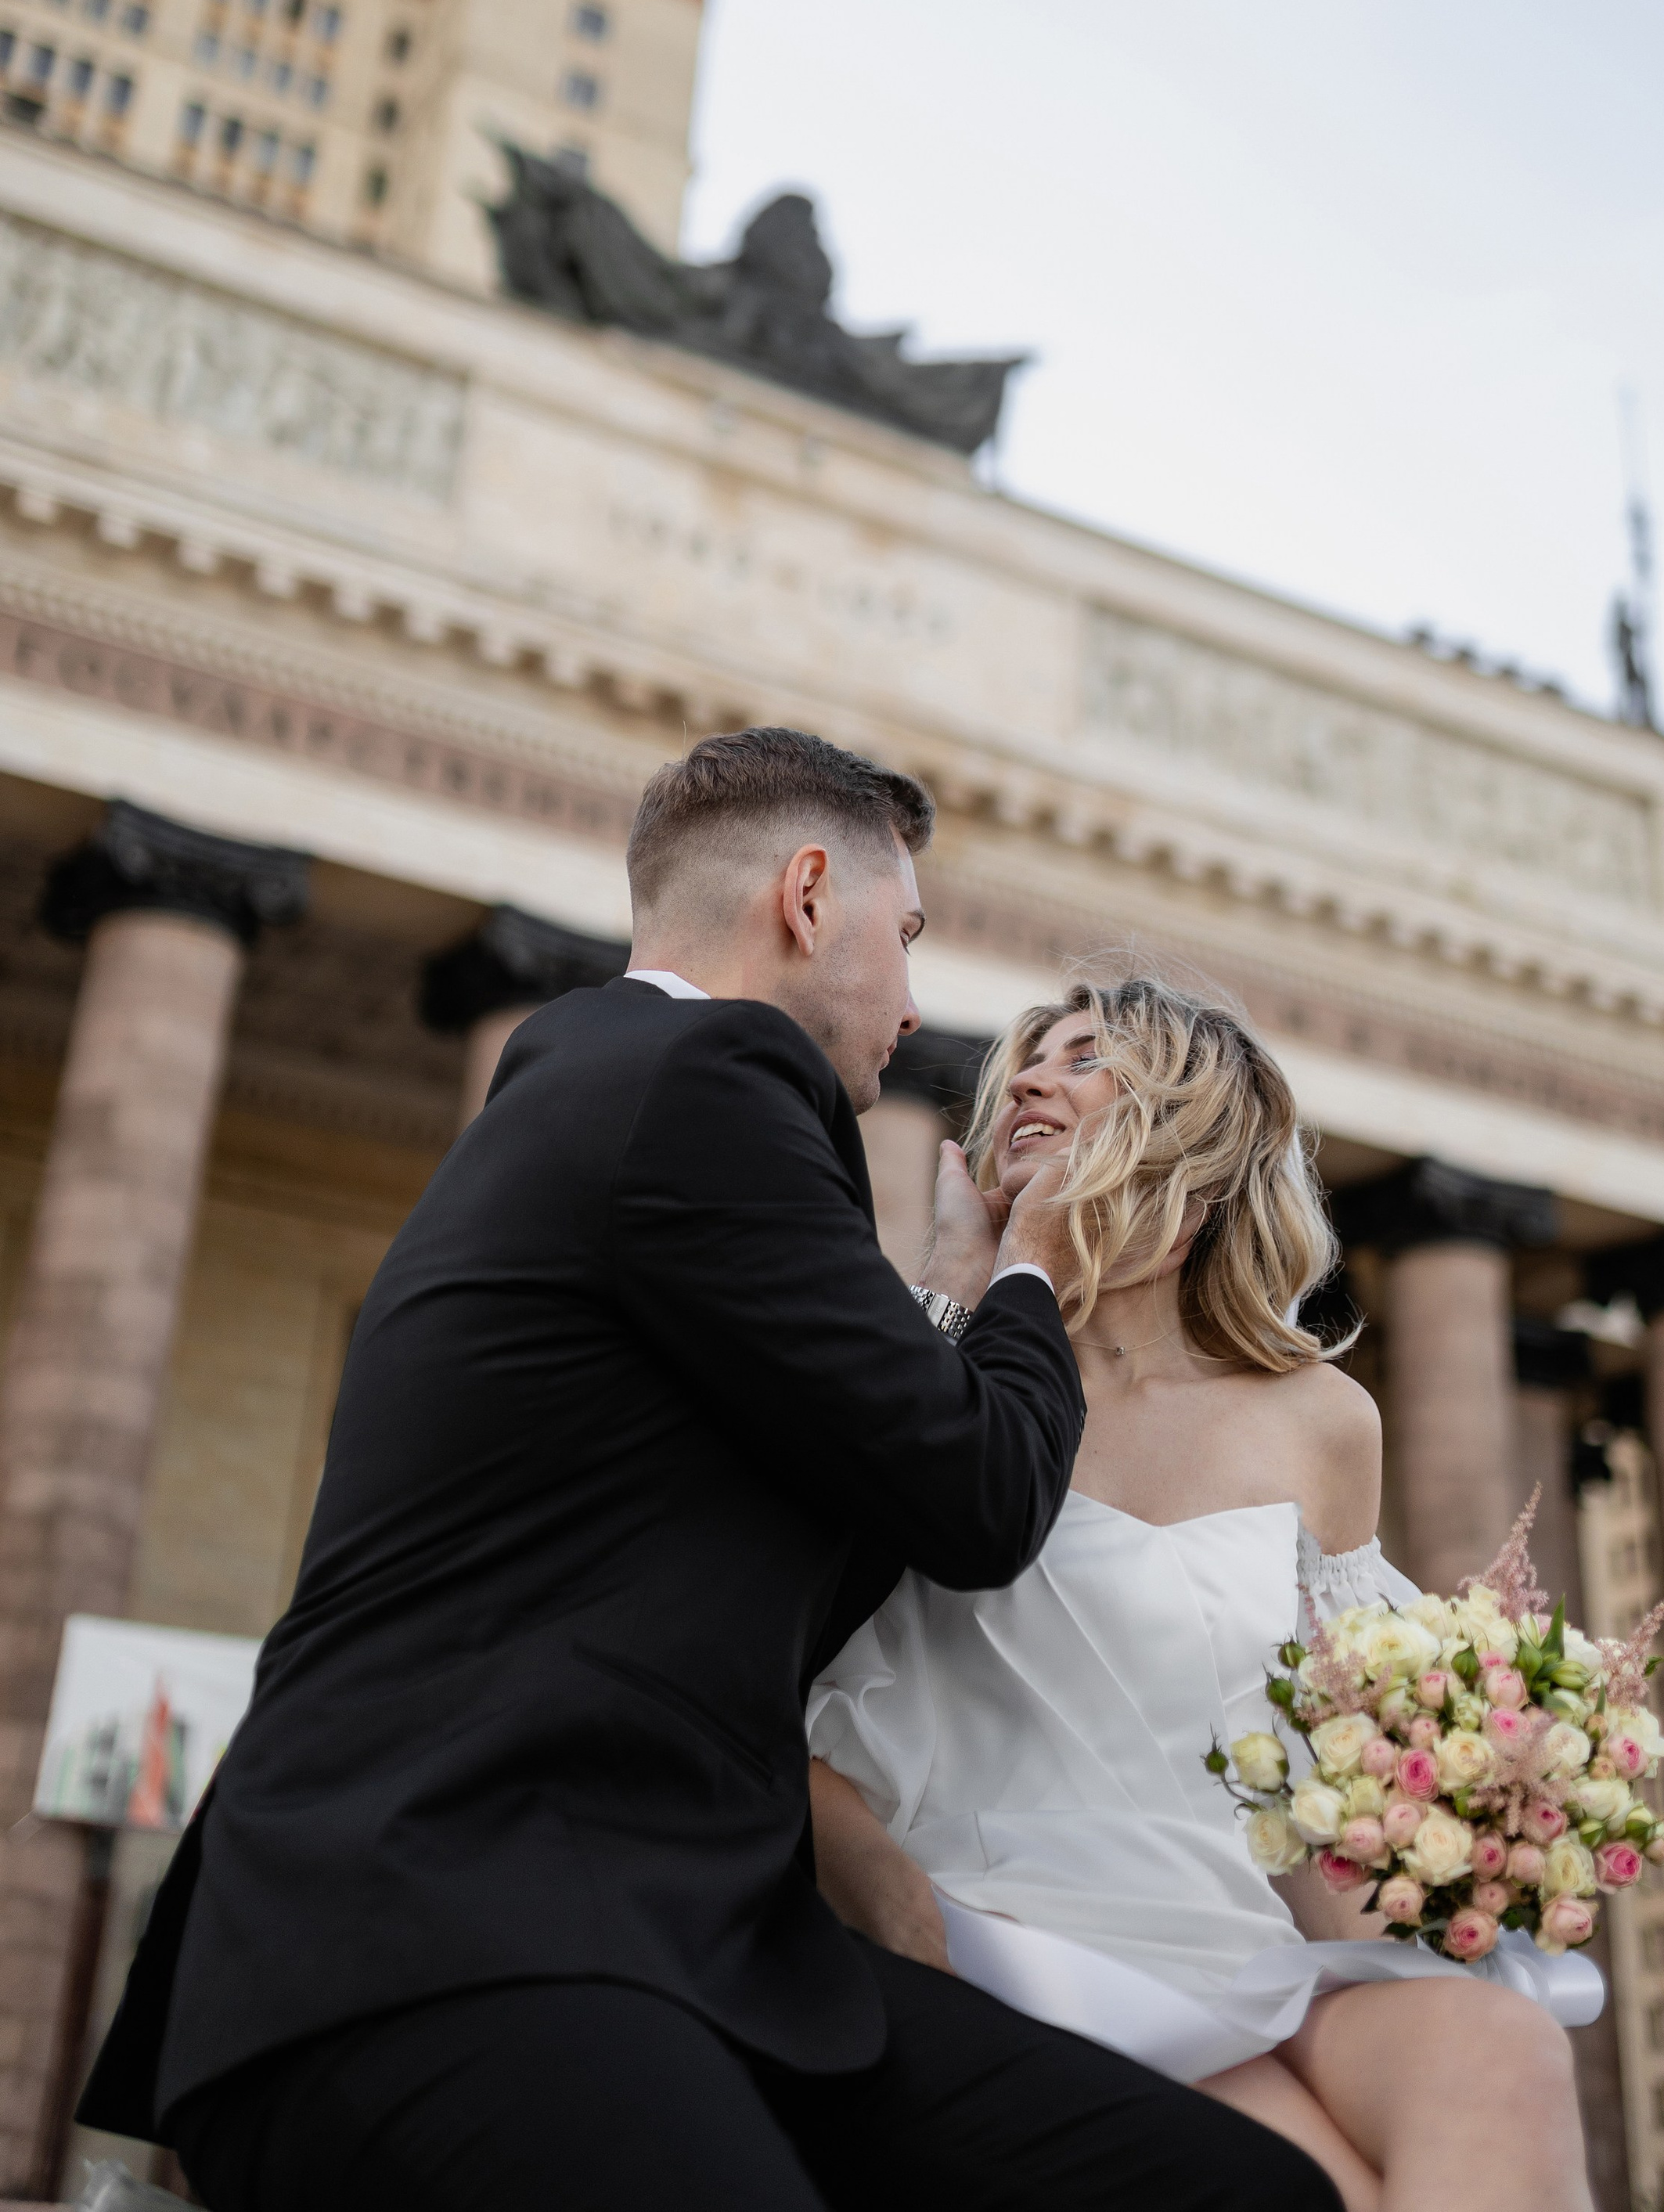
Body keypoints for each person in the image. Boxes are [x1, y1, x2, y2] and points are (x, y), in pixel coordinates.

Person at [79, 733, 1338, 2212]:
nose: (918, 1005)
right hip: (445, 1930)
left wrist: (945, 1281)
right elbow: (981, 1498)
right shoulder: (708, 1077)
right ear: (810, 896)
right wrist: (1025, 1273)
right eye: (908, 935)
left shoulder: (614, 1085)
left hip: (683, 1944)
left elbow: (858, 1495)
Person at [807, 974, 1598, 2212]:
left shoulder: (1325, 1422)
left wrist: (1455, 1873)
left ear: (1193, 1126)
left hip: (1238, 1942)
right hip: (1018, 1941)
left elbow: (1302, 1776)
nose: (1023, 1079)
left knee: (1499, 2049)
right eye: (1020, 1061)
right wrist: (957, 1267)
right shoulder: (929, 1373)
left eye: (1080, 1058)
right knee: (1318, 2182)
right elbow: (766, 1663)